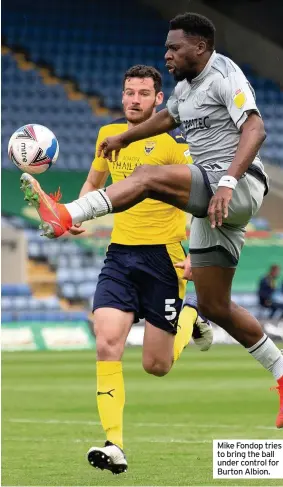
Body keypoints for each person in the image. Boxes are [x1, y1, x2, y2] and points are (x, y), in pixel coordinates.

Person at [19, 9, 283, 444]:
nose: (167, 54)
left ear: (199, 46)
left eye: (173, 47)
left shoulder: (223, 73)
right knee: (216, 307)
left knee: (145, 181)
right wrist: (124, 137)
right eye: (165, 47)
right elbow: (170, 117)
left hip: (236, 182)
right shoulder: (184, 90)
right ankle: (279, 373)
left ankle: (66, 215)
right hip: (210, 204)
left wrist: (228, 182)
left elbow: (255, 126)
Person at [21, 64, 213, 475]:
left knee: (156, 366)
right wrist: (79, 213)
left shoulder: (175, 146)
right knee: (106, 343)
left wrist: (198, 254)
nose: (134, 100)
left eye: (144, 94)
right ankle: (114, 444)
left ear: (159, 100)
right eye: (129, 92)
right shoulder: (107, 137)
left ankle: (191, 315)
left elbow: (201, 200)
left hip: (163, 259)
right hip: (119, 257)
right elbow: (93, 185)